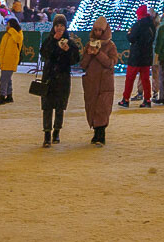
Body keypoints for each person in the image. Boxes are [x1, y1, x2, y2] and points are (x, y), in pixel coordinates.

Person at [36, 14, 78, 145]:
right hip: (49, 77)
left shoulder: (70, 42)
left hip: (63, 78)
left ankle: (57, 132)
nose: (59, 28)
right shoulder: (49, 40)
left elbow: (75, 60)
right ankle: (47, 134)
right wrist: (54, 42)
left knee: (60, 107)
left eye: (62, 25)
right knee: (47, 107)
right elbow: (44, 54)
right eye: (57, 25)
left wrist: (67, 51)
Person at [80, 16, 122, 144]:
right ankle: (95, 132)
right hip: (91, 81)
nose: (98, 33)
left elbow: (111, 63)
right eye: (96, 30)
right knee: (92, 106)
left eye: (100, 30)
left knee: (102, 108)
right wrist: (88, 53)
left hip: (105, 83)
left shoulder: (110, 45)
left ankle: (101, 133)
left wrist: (98, 54)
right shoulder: (89, 44)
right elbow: (83, 65)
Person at [121, 5, 157, 107]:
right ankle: (147, 100)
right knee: (145, 79)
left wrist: (128, 34)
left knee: (130, 78)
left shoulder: (138, 24)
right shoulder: (151, 25)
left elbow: (132, 38)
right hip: (146, 56)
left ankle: (126, 99)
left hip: (136, 56)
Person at [0, 17, 24, 104]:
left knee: (3, 79)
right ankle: (9, 96)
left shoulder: (18, 34)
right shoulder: (6, 35)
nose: (7, 27)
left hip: (11, 60)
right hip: (4, 60)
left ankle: (2, 96)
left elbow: (18, 39)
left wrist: (11, 30)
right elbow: (1, 49)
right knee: (7, 79)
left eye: (8, 25)